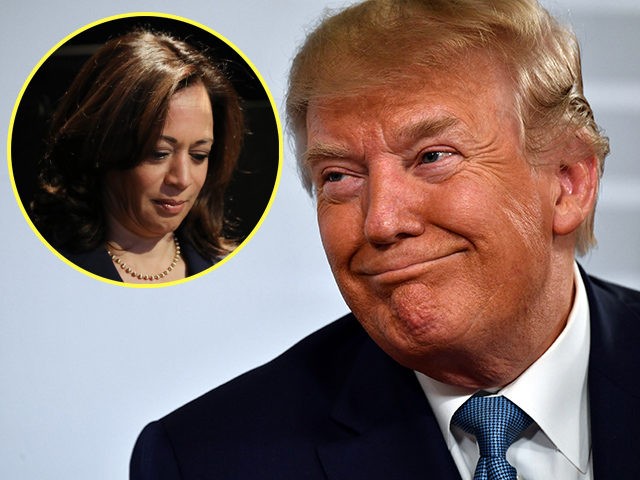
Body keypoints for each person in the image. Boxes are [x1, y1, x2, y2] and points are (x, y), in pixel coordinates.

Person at [130, 0, 640, 478]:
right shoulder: (206, 459)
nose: (381, 221)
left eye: (432, 157)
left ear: (568, 182)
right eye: (338, 177)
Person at [31, 29, 244, 283]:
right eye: (159, 153)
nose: (182, 179)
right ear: (103, 147)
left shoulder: (233, 271)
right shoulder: (39, 269)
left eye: (199, 155)